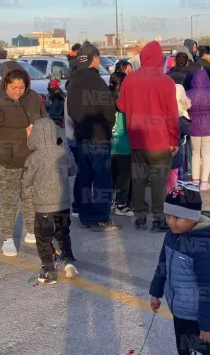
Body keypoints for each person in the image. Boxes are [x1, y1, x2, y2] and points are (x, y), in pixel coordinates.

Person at [149, 182, 210, 355]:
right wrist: (155, 292)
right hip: (180, 312)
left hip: (199, 319)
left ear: (192, 217)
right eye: (168, 216)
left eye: (177, 217)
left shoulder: (204, 248)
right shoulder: (172, 236)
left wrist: (207, 325)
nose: (171, 222)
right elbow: (162, 265)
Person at [0, 60, 47, 256]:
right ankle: (8, 238)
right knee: (9, 199)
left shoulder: (34, 97)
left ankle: (30, 230)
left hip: (30, 158)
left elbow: (44, 121)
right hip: (6, 159)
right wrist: (23, 132)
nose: (18, 91)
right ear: (4, 84)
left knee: (29, 196)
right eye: (13, 88)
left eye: (22, 87)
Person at [117, 41, 179, 233]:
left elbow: (121, 106)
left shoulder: (130, 79)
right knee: (159, 181)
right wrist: (174, 140)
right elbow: (172, 115)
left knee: (139, 179)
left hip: (137, 140)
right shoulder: (166, 81)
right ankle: (159, 219)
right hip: (160, 142)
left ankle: (140, 217)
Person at [67, 42, 120, 231]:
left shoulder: (73, 81)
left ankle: (85, 215)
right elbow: (109, 110)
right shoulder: (97, 81)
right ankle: (101, 217)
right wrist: (108, 126)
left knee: (84, 176)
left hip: (81, 136)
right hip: (99, 137)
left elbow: (71, 110)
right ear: (94, 59)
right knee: (102, 178)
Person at [21, 117, 79, 285]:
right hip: (63, 204)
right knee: (63, 233)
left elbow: (26, 181)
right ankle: (68, 262)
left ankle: (49, 271)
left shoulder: (34, 158)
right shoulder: (63, 151)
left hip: (43, 207)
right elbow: (73, 170)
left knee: (43, 239)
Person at [186, 69, 210, 191]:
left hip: (193, 127)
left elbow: (184, 110)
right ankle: (204, 182)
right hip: (209, 127)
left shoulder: (188, 93)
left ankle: (195, 180)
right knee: (207, 154)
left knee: (195, 154)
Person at [109, 71, 133, 216]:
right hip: (124, 144)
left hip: (110, 144)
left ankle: (111, 201)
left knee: (111, 175)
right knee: (124, 176)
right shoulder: (126, 100)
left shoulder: (105, 98)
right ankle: (121, 204)